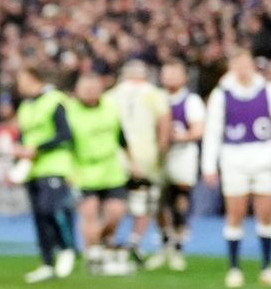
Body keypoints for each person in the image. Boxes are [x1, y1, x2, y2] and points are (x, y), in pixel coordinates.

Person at [202, 47, 271, 288]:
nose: (242, 70)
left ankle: (267, 267)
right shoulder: (222, 94)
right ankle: (234, 267)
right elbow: (212, 131)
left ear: (253, 66)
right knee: (235, 214)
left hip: (264, 159)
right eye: (237, 65)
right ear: (231, 68)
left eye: (245, 64)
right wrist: (209, 165)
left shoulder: (268, 90)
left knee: (266, 215)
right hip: (234, 160)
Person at [12, 62, 78, 283]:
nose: (18, 85)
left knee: (51, 209)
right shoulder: (26, 106)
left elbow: (64, 133)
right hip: (32, 169)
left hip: (55, 166)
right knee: (39, 216)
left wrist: (38, 148)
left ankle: (67, 248)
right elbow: (24, 135)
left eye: (21, 79)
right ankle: (47, 262)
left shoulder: (55, 100)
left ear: (33, 78)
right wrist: (19, 149)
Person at [66, 66, 132, 275]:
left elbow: (121, 136)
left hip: (111, 170)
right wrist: (68, 170)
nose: (89, 92)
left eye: (93, 87)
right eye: (85, 88)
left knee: (116, 213)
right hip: (83, 170)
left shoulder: (110, 107)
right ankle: (93, 254)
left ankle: (104, 242)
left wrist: (133, 161)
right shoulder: (69, 111)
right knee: (89, 213)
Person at [109, 58, 171, 265]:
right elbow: (164, 124)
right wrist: (162, 151)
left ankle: (109, 242)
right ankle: (134, 240)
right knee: (144, 201)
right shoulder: (154, 94)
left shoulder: (112, 94)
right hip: (146, 155)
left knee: (115, 201)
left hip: (115, 156)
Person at [153, 60, 205, 272]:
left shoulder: (191, 100)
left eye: (175, 73)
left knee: (180, 198)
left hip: (182, 154)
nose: (170, 77)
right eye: (167, 73)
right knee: (157, 201)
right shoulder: (155, 98)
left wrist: (178, 137)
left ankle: (178, 246)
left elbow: (198, 129)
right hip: (159, 156)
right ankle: (165, 242)